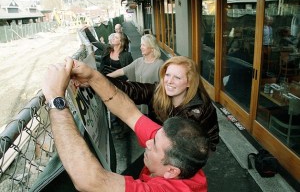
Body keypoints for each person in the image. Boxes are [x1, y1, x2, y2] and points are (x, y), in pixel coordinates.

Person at [41, 57, 210, 191]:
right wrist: (92, 76)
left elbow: (90, 181)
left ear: (172, 171)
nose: (148, 142)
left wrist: (55, 98)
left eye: (155, 145)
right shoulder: (172, 144)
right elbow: (129, 112)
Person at [108, 56, 219, 152]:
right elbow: (130, 89)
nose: (169, 81)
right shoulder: (157, 92)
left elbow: (210, 144)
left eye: (177, 77)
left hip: (182, 164)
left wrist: (185, 160)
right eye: (167, 75)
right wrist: (96, 78)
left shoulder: (203, 108)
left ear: (189, 82)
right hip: (155, 153)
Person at [107, 34, 164, 116]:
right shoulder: (139, 61)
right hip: (140, 105)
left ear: (151, 48)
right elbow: (121, 71)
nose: (140, 47)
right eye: (141, 45)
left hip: (154, 107)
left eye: (143, 45)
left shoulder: (160, 64)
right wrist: (103, 78)